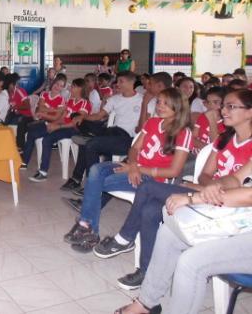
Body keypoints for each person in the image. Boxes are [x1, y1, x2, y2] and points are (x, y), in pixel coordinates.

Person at [94, 89, 250, 291]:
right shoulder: (223, 139)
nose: (223, 110)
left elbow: (239, 187)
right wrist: (204, 186)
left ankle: (125, 237)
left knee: (148, 187)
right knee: (150, 209)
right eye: (224, 106)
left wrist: (204, 189)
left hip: (230, 206)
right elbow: (206, 174)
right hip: (205, 194)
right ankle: (145, 270)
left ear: (249, 112)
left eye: (231, 106)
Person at [113, 159, 252, 314]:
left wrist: (192, 198)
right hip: (244, 221)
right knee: (169, 234)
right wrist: (217, 185)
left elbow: (249, 195)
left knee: (191, 262)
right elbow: (236, 178)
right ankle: (146, 304)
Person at [64, 87, 193, 253]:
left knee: (100, 182)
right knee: (96, 170)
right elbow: (134, 149)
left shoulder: (184, 132)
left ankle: (87, 228)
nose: (160, 106)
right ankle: (87, 228)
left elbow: (174, 172)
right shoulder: (152, 122)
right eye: (159, 102)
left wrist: (138, 169)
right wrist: (133, 166)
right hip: (133, 168)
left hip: (153, 180)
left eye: (166, 103)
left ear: (178, 107)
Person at [60, 72, 143, 193]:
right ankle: (89, 136)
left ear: (131, 82)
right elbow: (98, 116)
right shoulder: (115, 99)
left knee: (89, 144)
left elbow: (145, 126)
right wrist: (83, 117)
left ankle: (85, 183)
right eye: (117, 81)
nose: (117, 84)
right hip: (111, 131)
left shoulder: (142, 100)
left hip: (126, 137)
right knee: (77, 117)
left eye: (121, 81)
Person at [23, 78, 92, 182]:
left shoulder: (85, 104)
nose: (70, 89)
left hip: (75, 130)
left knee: (47, 139)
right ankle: (38, 169)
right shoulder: (71, 101)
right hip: (65, 126)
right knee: (42, 135)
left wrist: (58, 127)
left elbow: (75, 123)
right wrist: (53, 124)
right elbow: (63, 118)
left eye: (73, 86)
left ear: (80, 89)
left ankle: (42, 171)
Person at [4, 73, 33, 150]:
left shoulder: (20, 91)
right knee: (4, 121)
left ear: (13, 84)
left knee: (21, 122)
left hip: (27, 116)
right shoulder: (7, 94)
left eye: (10, 85)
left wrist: (16, 107)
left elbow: (27, 106)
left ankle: (20, 147)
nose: (9, 88)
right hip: (16, 115)